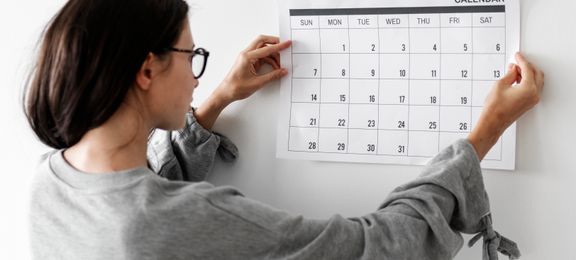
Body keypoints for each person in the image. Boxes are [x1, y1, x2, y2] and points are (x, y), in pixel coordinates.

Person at [25, 0, 544, 259]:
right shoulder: (164, 224)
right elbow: (377, 249)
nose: (196, 71)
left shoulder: (51, 182)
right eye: (191, 55)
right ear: (146, 71)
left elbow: (147, 192)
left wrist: (217, 100)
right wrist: (484, 132)